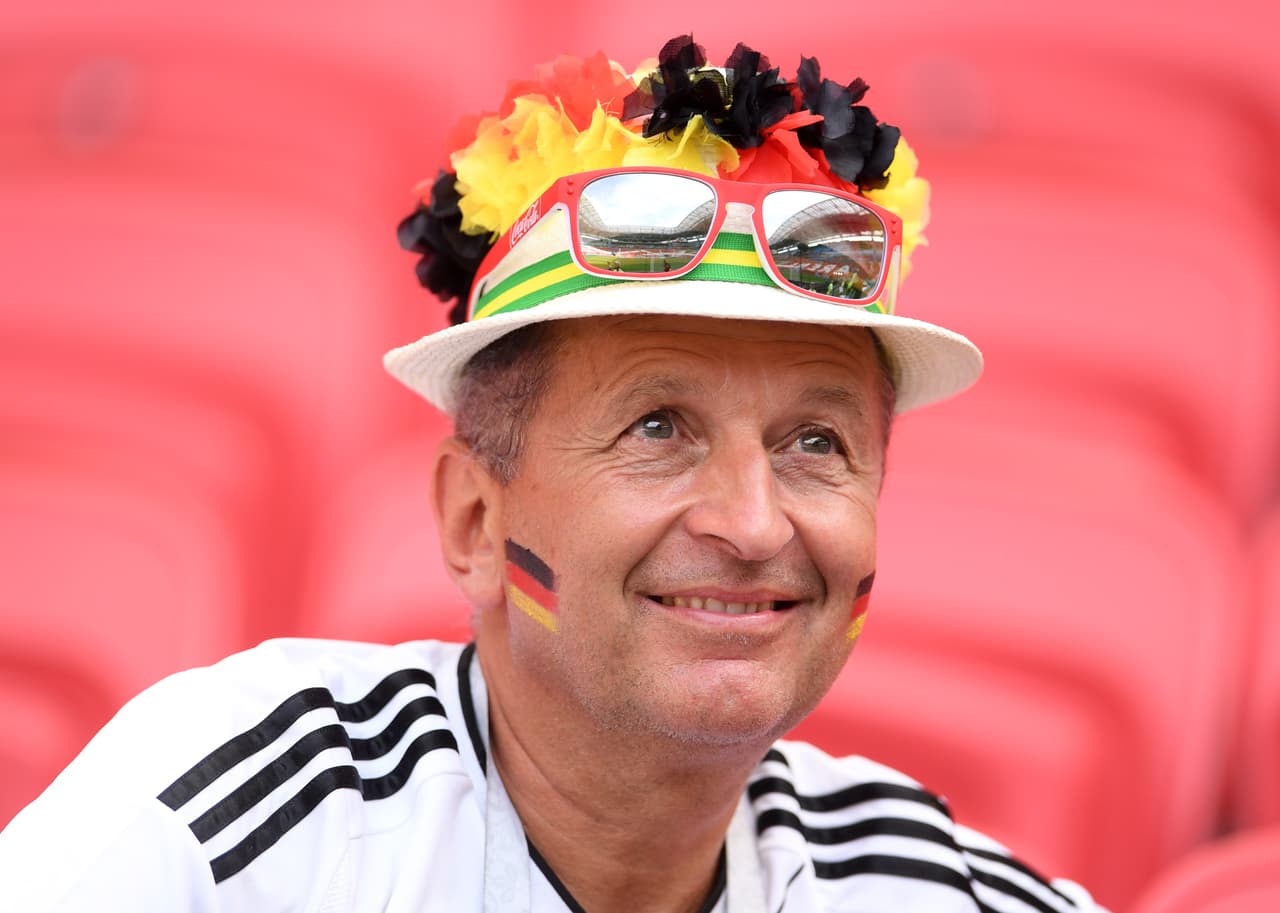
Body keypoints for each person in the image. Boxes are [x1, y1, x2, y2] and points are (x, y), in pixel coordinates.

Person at [0, 35, 1107, 913]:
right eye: (657, 426)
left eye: (815, 443)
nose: (753, 522)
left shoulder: (921, 887)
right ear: (473, 521)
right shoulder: (236, 818)